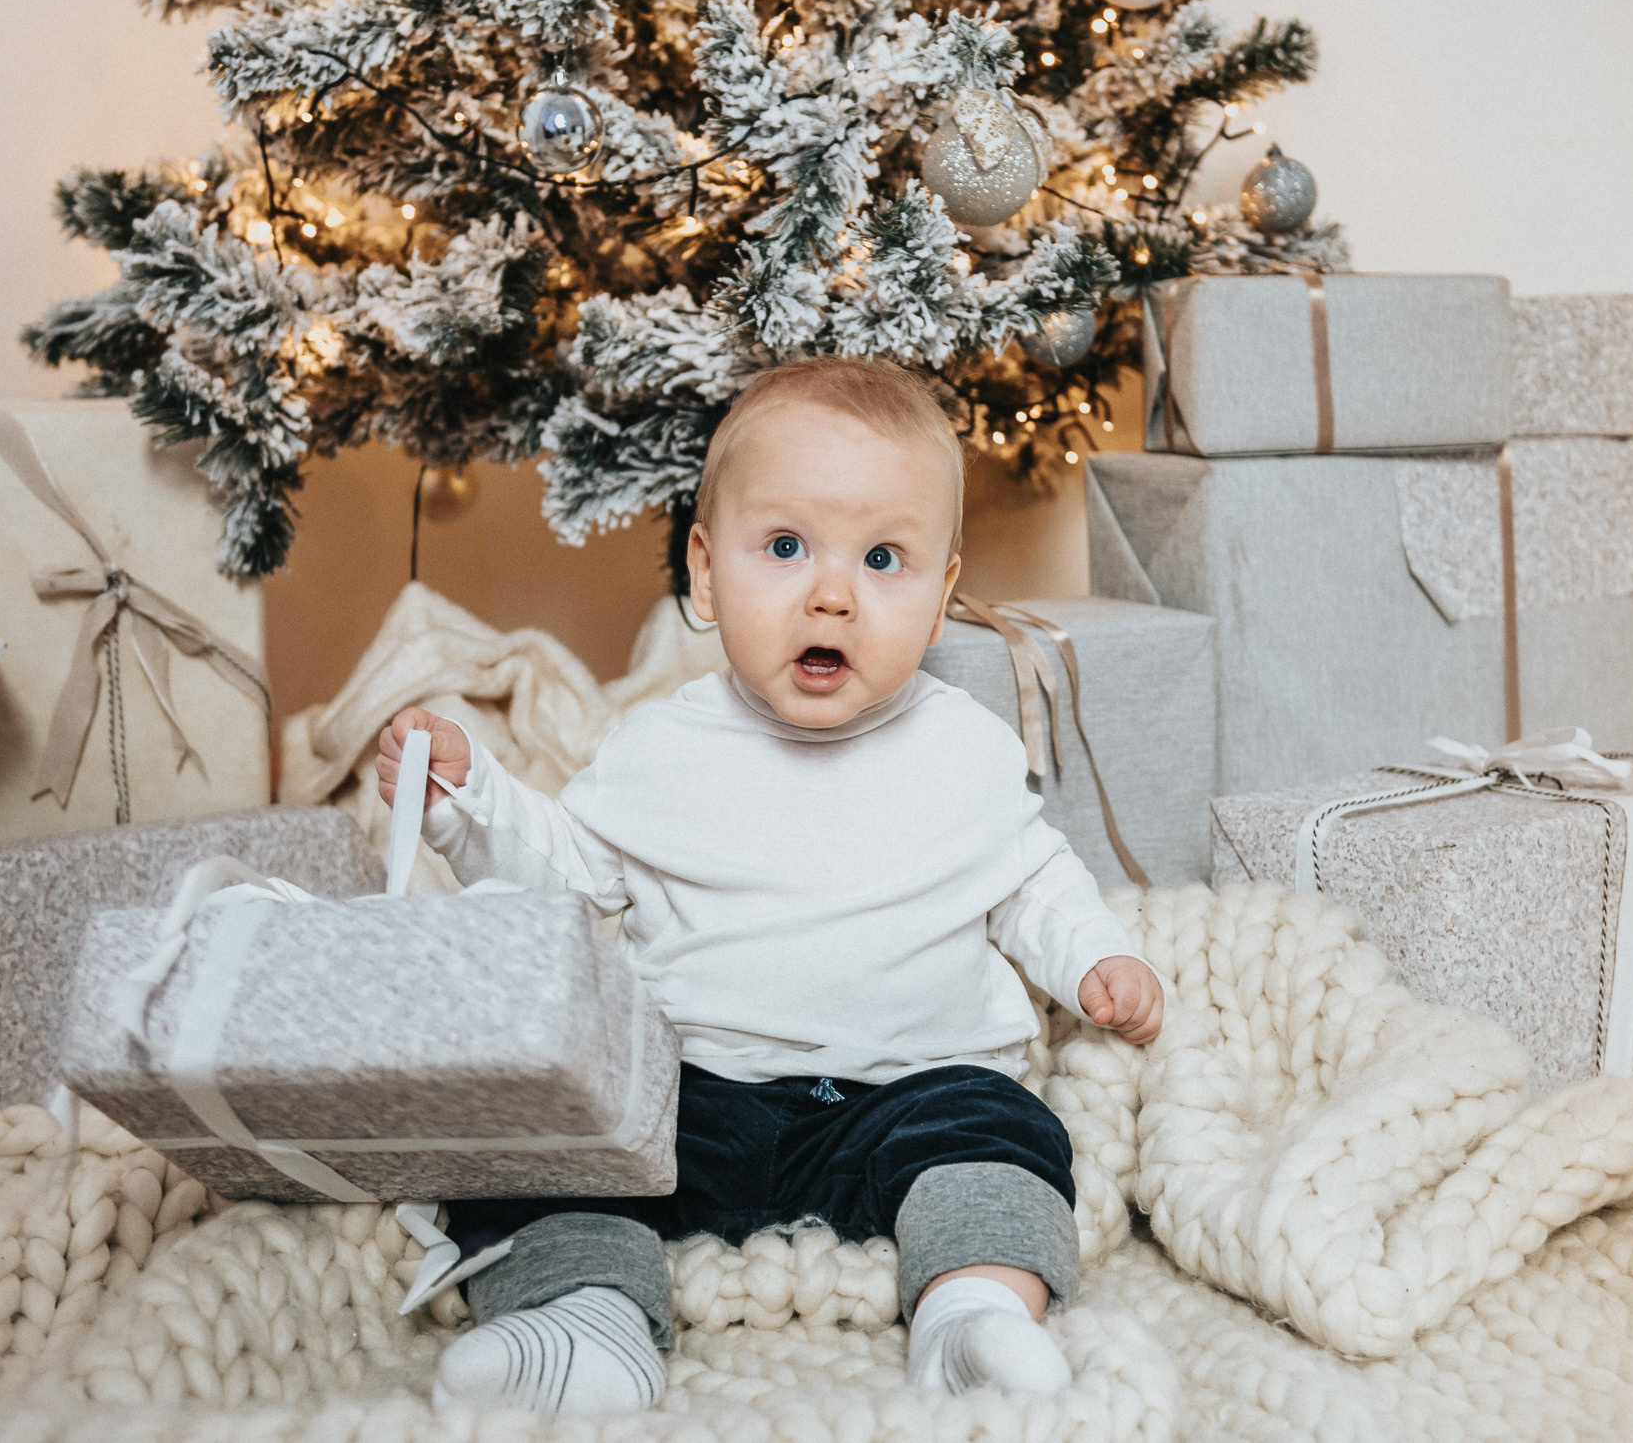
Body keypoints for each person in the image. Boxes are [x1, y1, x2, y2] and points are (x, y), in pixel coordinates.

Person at [375, 356, 1168, 1416]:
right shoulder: (662, 745)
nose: (831, 593)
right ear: (705, 573)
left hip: (907, 1095)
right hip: (697, 1100)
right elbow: (565, 874)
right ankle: (587, 1320)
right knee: (551, 1139)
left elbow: (1032, 877)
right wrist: (470, 802)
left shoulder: (965, 750)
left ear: (940, 595)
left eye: (883, 557)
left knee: (1006, 1132)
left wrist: (1096, 960)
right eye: (785, 547)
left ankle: (974, 1311)